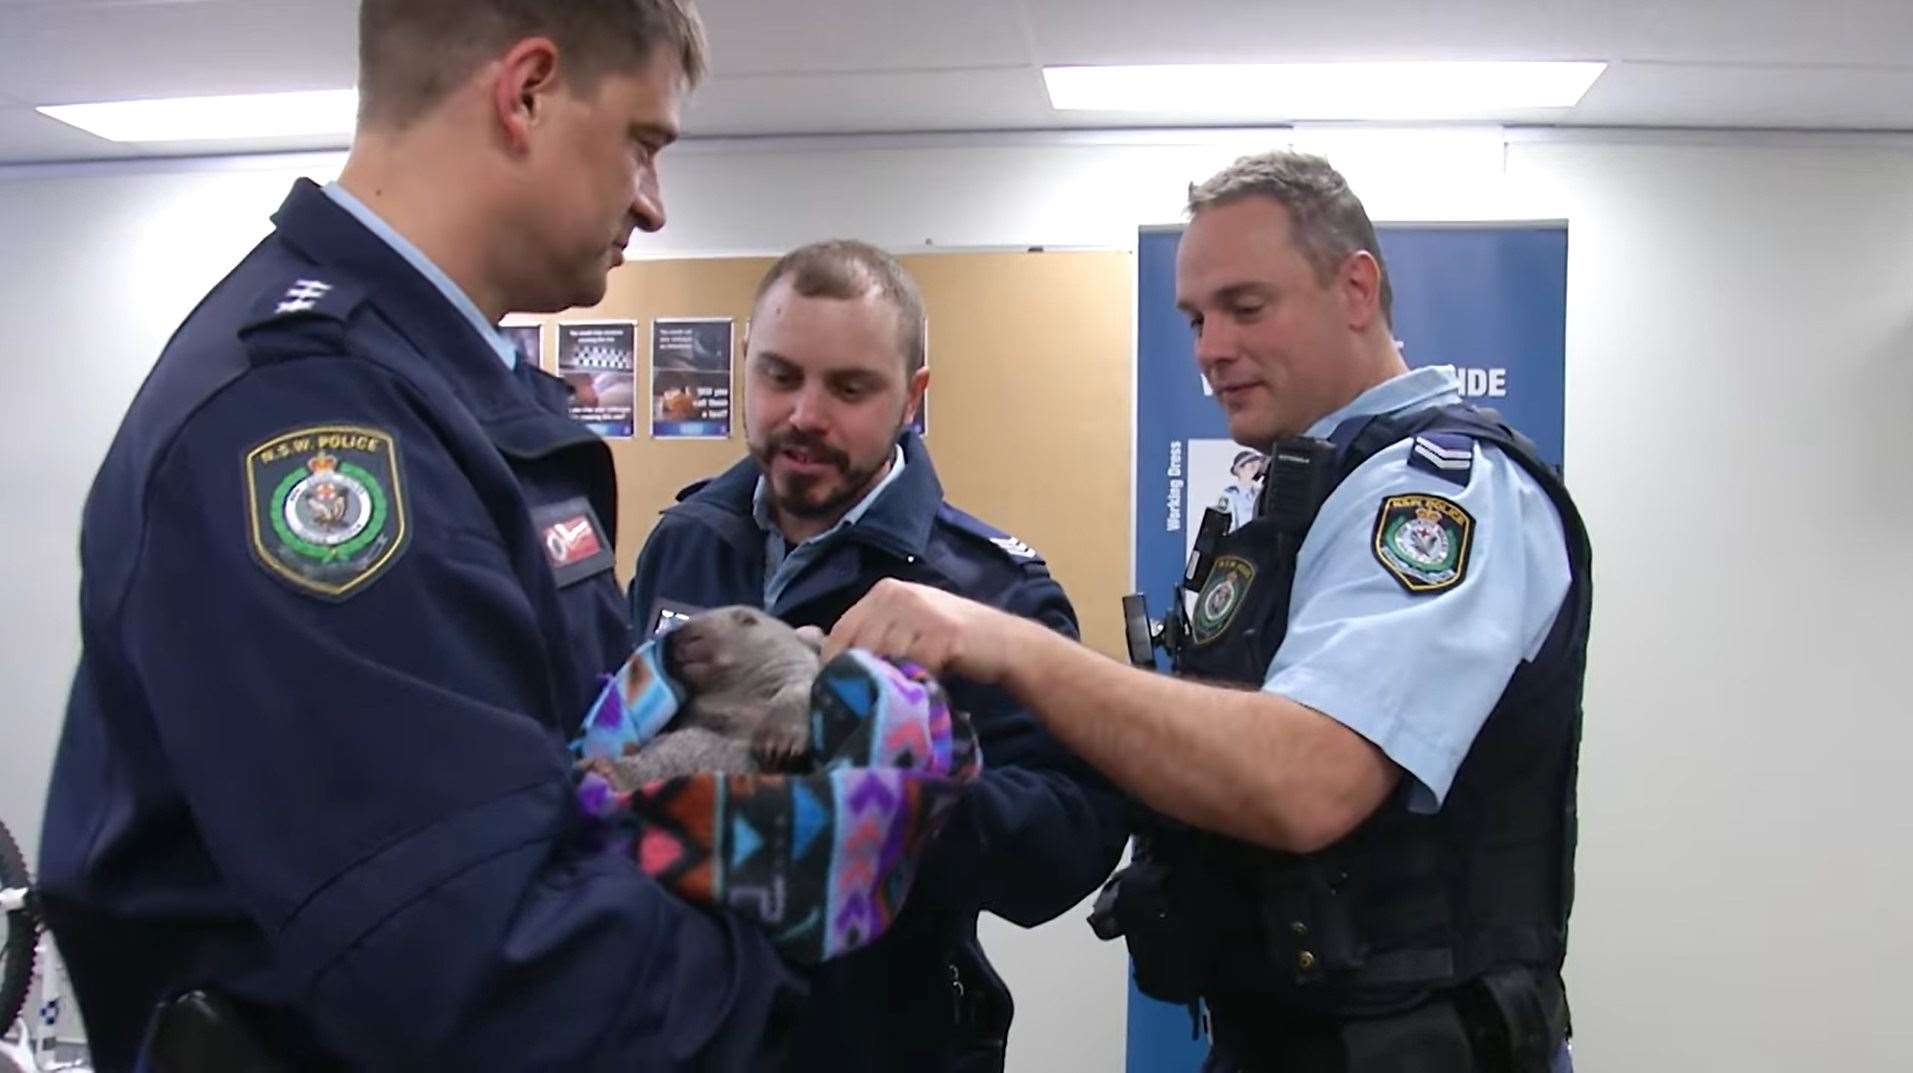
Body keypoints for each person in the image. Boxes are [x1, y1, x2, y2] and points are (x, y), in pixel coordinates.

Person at [36, 3, 802, 1069]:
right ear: (526, 91)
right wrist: (791, 908)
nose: (651, 203)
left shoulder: (456, 397)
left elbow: (574, 786)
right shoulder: (308, 427)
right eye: (642, 141)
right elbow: (493, 980)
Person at [825, 151, 1593, 1073]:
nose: (1208, 348)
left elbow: (1306, 781)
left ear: (1356, 288)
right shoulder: (1303, 494)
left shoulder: (1442, 498)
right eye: (1195, 317)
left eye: (1245, 306)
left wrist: (1004, 644)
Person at [628, 240, 1130, 1073]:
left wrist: (900, 795)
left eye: (849, 388)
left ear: (911, 398)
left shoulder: (986, 590)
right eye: (780, 376)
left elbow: (1070, 844)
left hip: (878, 1041)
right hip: (682, 1032)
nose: (805, 415)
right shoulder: (681, 544)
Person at [1215, 448, 1265, 531]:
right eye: (1251, 467)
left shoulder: (1260, 493)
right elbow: (1220, 524)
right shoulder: (1228, 495)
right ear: (1239, 470)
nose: (1256, 472)